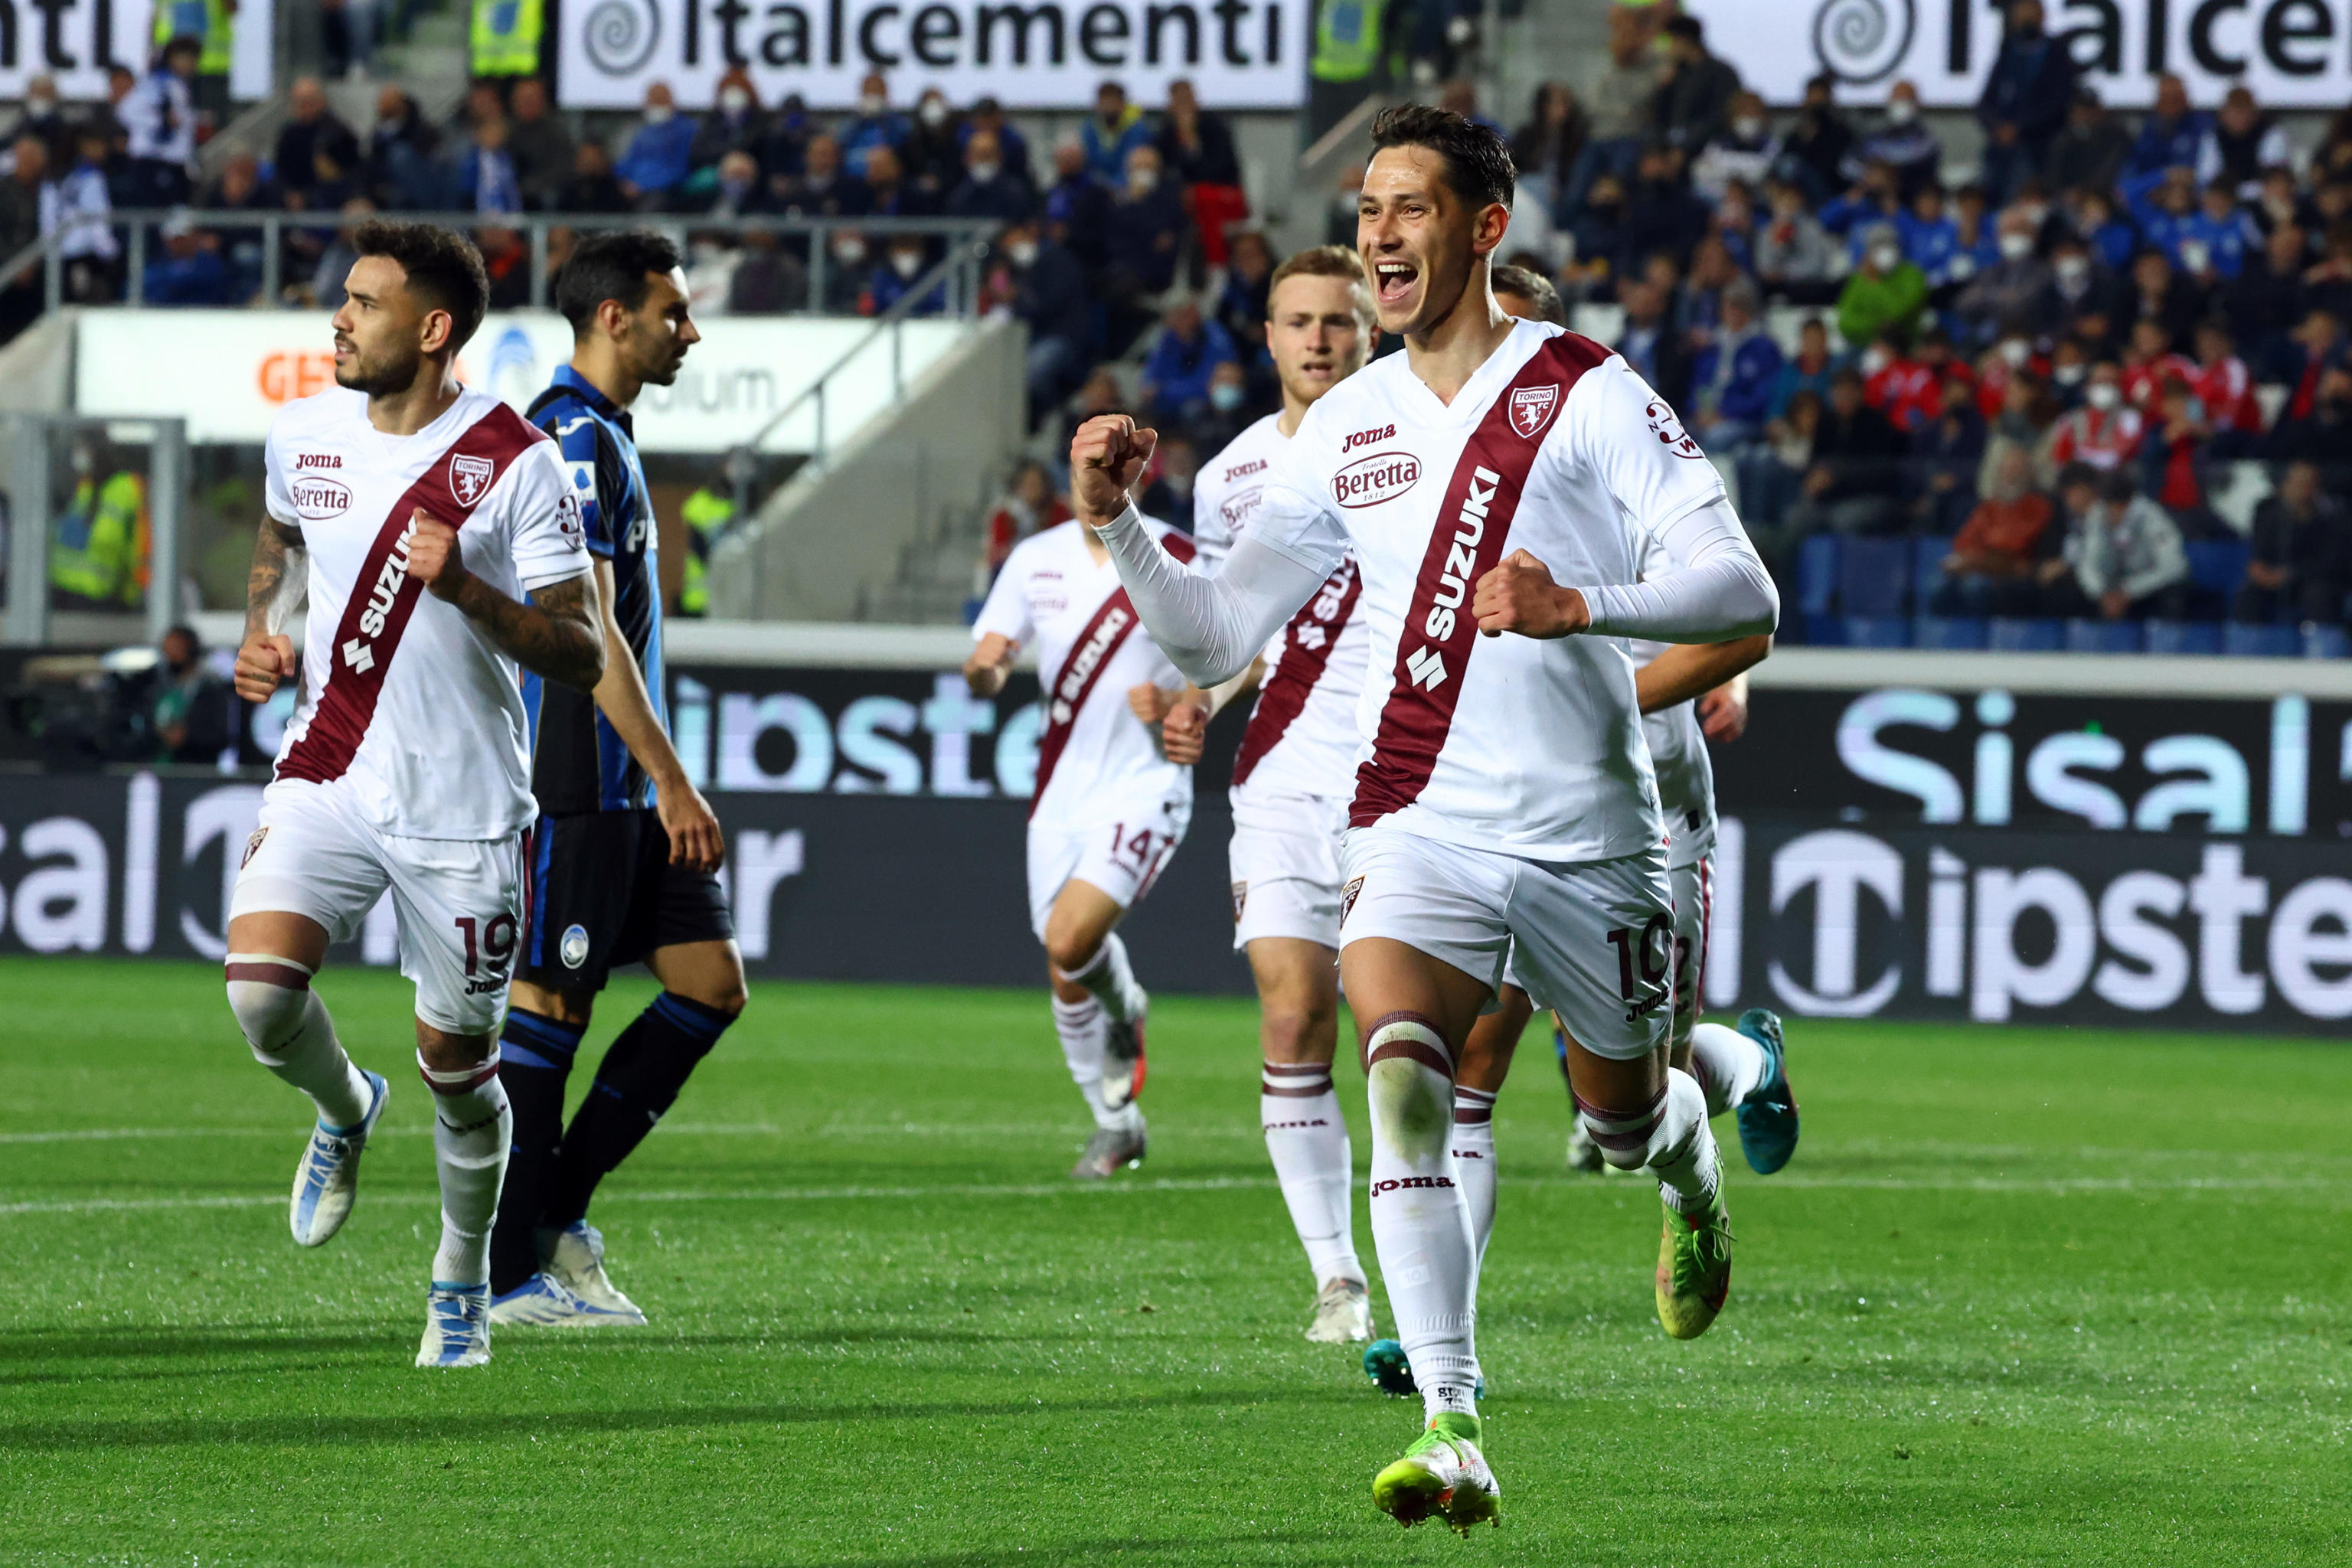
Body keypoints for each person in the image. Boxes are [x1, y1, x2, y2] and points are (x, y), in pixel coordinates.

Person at [1070, 104, 1776, 1528]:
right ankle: (1454, 1417)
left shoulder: (1587, 390)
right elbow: (1214, 635)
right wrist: (1118, 525)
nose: (1382, 232)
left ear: (1483, 229)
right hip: (1415, 815)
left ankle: (1687, 1157)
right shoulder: (1343, 427)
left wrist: (1584, 604)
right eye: (1368, 206)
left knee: (1621, 1122)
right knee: (1394, 1058)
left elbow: (1746, 598)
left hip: (1590, 831)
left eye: (1409, 208)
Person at [223, 220, 604, 1369]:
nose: (338, 317)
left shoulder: (515, 461)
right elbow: (284, 536)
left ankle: (459, 1279)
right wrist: (265, 629)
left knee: (460, 1073)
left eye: (364, 302)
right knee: (257, 995)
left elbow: (580, 653)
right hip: (331, 762)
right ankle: (344, 1107)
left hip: (466, 811)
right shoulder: (307, 435)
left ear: (432, 330)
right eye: (343, 297)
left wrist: (472, 590)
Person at [484, 232, 743, 1328]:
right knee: (552, 1004)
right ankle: (503, 1276)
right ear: (613, 319)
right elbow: (589, 636)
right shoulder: (568, 441)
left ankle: (557, 1213)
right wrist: (672, 779)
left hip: (628, 788)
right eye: (674, 312)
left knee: (708, 986)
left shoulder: (612, 439)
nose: (690, 330)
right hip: (582, 776)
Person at [1146, 249, 1383, 1344]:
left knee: (1403, 1033)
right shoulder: (1233, 478)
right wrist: (1202, 694)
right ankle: (1337, 1277)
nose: (1319, 340)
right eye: (1298, 322)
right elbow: (1234, 630)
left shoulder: (1418, 443)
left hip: (1410, 773)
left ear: (1370, 326)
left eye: (1337, 320)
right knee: (1296, 1016)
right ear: (1272, 337)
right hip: (1287, 772)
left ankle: (1428, 1247)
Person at [962, 485, 1200, 1187]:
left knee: (1071, 940)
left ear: (1134, 479)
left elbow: (1237, 656)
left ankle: (1126, 1006)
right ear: (1071, 482)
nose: (1097, 487)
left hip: (1146, 786)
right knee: (1063, 966)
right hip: (1060, 794)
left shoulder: (1176, 555)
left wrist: (1184, 703)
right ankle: (1118, 1123)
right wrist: (986, 671)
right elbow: (991, 656)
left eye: (1110, 473)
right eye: (1085, 471)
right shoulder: (1036, 560)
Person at [2040, 464, 2188, 619]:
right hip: (2115, 587)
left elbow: (2174, 567)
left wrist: (2130, 591)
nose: (2110, 515)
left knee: (2173, 591)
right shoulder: (2099, 514)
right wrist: (2102, 593)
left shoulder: (2152, 517)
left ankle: (2170, 639)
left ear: (2127, 504)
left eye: (2116, 509)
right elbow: (2088, 563)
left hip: (2147, 585)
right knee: (2069, 592)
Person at [1932, 446, 2055, 616]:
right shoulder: (1989, 507)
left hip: (2014, 572)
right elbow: (1964, 541)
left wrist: (1977, 558)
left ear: (2029, 474)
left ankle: (1981, 640)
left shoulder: (2038, 507)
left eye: (2017, 469)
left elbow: (2015, 544)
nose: (2011, 475)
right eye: (2007, 469)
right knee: (1936, 586)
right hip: (1979, 568)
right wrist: (1973, 558)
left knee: (1975, 587)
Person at [1976, 0, 2075, 203]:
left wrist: (2020, 128)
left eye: (2031, 14)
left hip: (2038, 147)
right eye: (2021, 15)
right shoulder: (2008, 51)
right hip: (1999, 148)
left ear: (2042, 17)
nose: (2025, 20)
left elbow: (2058, 104)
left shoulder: (2056, 53)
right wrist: (1997, 126)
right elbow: (1986, 101)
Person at [2235, 460, 2346, 625]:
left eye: (2309, 484)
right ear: (2285, 485)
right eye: (2299, 483)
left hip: (2312, 581)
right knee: (2248, 595)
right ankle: (2252, 646)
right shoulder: (2270, 514)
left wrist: (2289, 575)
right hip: (2275, 580)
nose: (2304, 489)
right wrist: (2261, 569)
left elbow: (2331, 562)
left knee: (2318, 597)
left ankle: (2319, 645)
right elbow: (2261, 551)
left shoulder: (2332, 518)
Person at [119, 34, 201, 207]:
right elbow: (126, 111)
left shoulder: (180, 85)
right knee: (155, 219)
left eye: (192, 58)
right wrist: (161, 121)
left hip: (175, 162)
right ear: (171, 58)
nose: (188, 63)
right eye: (182, 57)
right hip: (153, 160)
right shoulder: (156, 82)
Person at [1838, 222, 1929, 348]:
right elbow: (1845, 322)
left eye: (1889, 244)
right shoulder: (1860, 278)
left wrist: (1876, 283)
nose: (1884, 250)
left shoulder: (1913, 275)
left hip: (1903, 345)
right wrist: (1878, 325)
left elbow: (1899, 313)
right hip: (1865, 344)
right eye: (1878, 246)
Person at [152, 623, 230, 763]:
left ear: (191, 650)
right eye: (167, 650)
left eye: (176, 649)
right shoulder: (155, 684)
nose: (170, 656)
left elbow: (220, 734)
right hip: (158, 766)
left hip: (194, 768)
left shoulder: (210, 687)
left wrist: (188, 736)